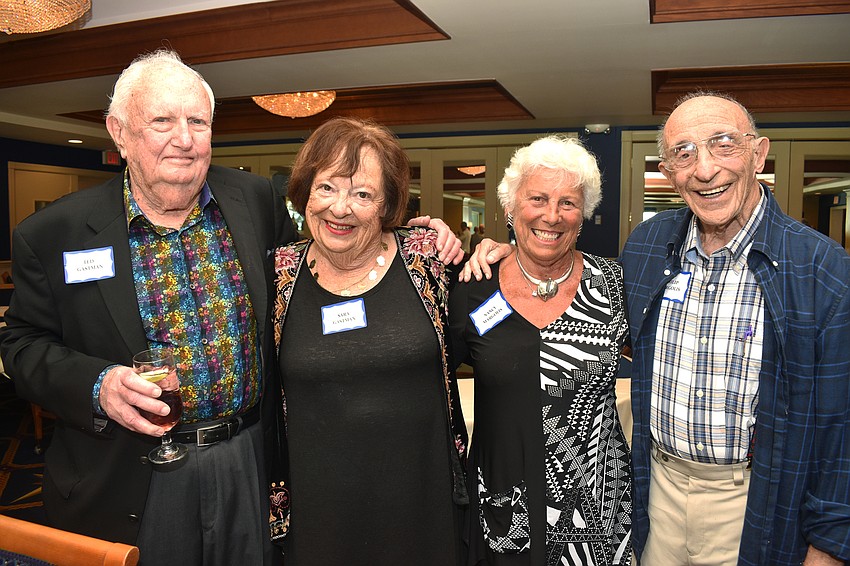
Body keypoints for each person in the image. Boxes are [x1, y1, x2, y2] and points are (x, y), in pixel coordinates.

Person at [0, 49, 462, 565]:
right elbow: (21, 345)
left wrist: (412, 241)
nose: (184, 138)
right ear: (119, 132)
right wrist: (95, 384)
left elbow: (325, 258)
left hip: (248, 459)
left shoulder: (253, 200)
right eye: (162, 121)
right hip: (128, 473)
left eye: (197, 120)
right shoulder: (55, 234)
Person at [620, 92, 850, 565]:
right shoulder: (646, 246)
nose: (704, 170)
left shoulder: (821, 269)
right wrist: (504, 260)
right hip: (656, 494)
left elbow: (839, 426)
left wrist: (829, 546)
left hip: (756, 504)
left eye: (723, 144)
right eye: (683, 153)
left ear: (758, 153)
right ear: (668, 172)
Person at [266, 116, 469, 565]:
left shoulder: (430, 260)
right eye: (327, 188)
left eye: (362, 194)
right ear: (305, 192)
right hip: (319, 517)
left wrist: (505, 251)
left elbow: (502, 304)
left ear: (387, 205)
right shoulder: (274, 275)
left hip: (423, 507)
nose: (341, 208)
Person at [449, 135, 631, 565]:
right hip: (502, 504)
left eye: (568, 203)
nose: (552, 215)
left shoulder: (613, 283)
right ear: (510, 207)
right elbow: (428, 382)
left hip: (593, 510)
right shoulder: (473, 286)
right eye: (538, 198)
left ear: (583, 216)